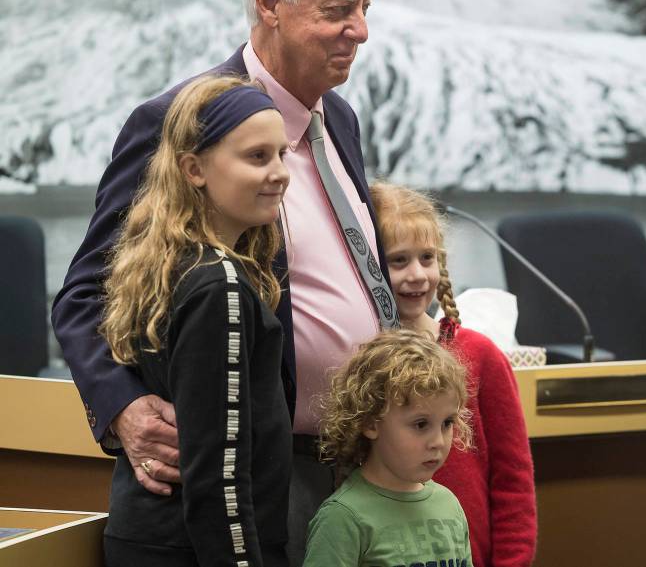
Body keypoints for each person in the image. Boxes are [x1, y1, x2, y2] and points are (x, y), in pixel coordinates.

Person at [51, 0, 392, 565]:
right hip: (255, 477)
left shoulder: (338, 117)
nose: (362, 30)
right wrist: (121, 407)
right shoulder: (180, 121)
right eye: (340, 9)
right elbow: (84, 296)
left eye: (366, 8)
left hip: (359, 463)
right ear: (270, 3)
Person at [99, 76, 292, 566]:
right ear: (194, 168)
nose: (279, 173)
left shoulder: (170, 265)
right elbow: (218, 478)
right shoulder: (219, 284)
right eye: (256, 157)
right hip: (190, 549)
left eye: (282, 155)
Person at [369, 181, 537, 567]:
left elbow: (513, 480)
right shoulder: (364, 361)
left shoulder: (480, 355)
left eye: (426, 258)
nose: (417, 275)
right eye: (399, 260)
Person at [305, 329, 475, 567]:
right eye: (421, 424)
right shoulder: (344, 517)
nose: (438, 441)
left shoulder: (449, 505)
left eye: (447, 423)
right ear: (371, 422)